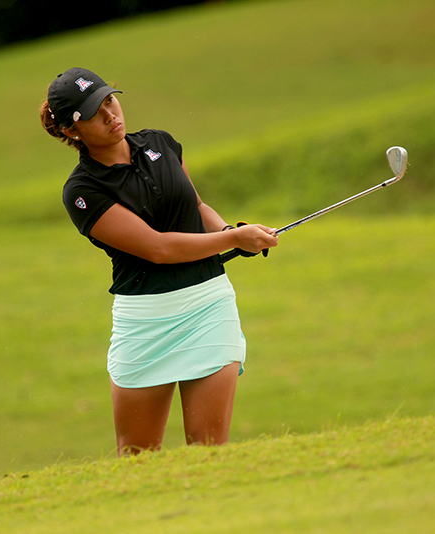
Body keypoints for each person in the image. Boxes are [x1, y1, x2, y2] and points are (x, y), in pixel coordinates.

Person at [39, 67, 278, 456]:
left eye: (109, 100)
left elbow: (196, 206)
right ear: (71, 130)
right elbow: (157, 248)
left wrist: (232, 231)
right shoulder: (82, 190)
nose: (110, 114)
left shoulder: (160, 143)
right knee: (137, 455)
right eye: (93, 112)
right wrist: (231, 239)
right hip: (145, 321)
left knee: (209, 450)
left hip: (208, 305)